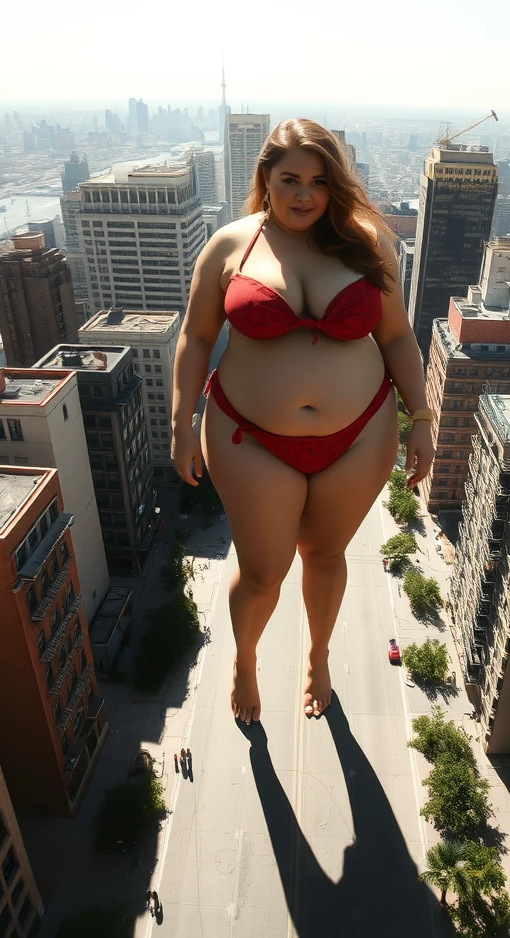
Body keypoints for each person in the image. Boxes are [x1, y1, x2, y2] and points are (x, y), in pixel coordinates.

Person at [172, 119, 434, 723]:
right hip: (249, 437)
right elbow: (196, 336)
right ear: (265, 176)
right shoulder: (229, 245)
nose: (303, 195)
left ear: (335, 184)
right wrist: (181, 422)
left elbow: (397, 336)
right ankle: (245, 657)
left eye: (318, 181)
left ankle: (318, 656)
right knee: (264, 573)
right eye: (289, 178)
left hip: (361, 432)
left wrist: (420, 417)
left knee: (325, 553)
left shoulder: (368, 241)